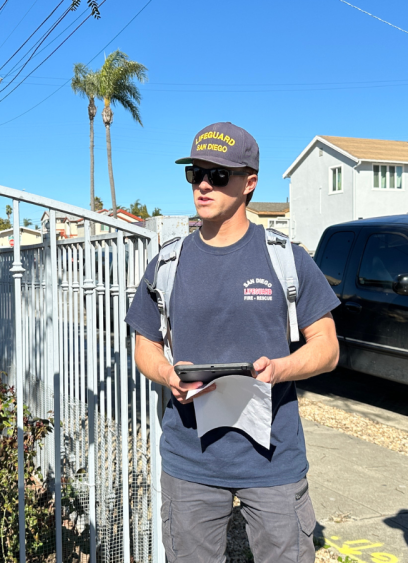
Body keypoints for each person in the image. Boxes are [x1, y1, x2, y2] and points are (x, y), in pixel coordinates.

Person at [125, 122, 340, 563]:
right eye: (195, 173)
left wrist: (281, 369)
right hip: (191, 462)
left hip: (273, 460)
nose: (203, 184)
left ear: (250, 183)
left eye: (218, 175)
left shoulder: (286, 257)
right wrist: (167, 373)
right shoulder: (167, 263)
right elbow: (143, 344)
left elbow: (327, 347)